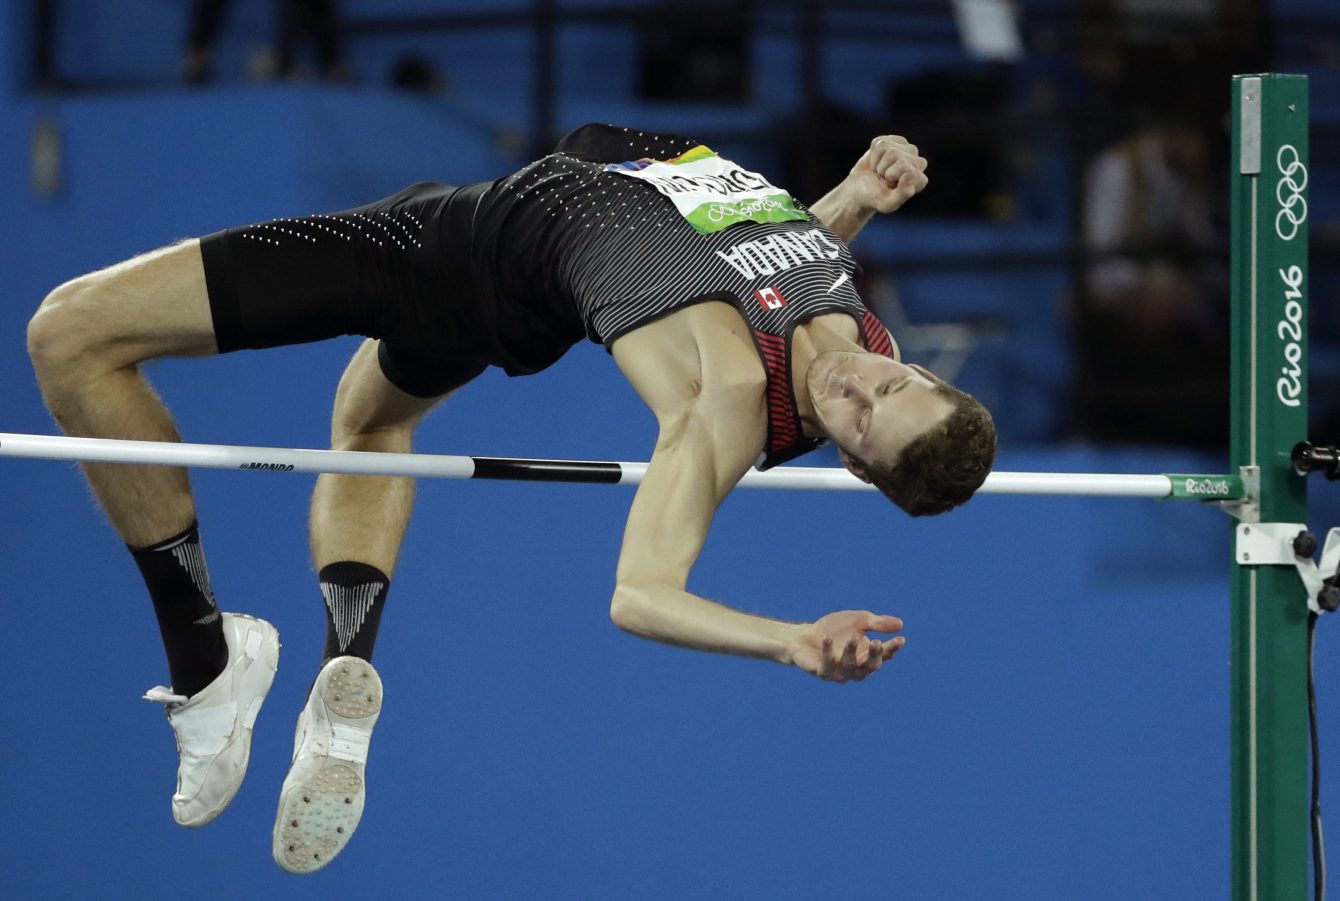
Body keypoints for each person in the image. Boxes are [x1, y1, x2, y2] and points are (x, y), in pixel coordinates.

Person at [25, 124, 996, 873]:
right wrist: (851, 201)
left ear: (853, 464)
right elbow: (753, 271)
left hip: (440, 252)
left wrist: (788, 640)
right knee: (369, 427)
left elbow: (641, 594)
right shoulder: (854, 328)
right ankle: (341, 686)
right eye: (893, 383)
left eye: (865, 418)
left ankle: (205, 660)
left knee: (70, 335)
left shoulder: (723, 402)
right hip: (518, 266)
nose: (859, 387)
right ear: (919, 367)